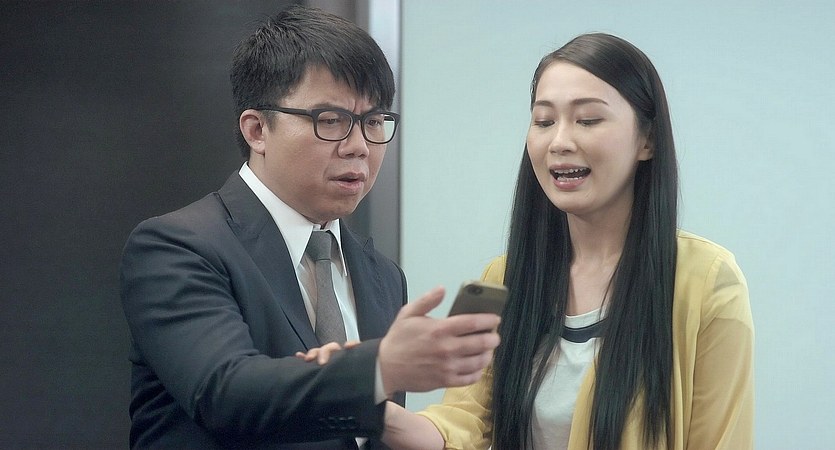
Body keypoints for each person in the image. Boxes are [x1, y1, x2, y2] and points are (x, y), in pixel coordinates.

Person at [308, 33, 754, 449]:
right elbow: (461, 423)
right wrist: (358, 386)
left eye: (588, 119)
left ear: (647, 140)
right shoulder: (503, 278)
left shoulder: (705, 281)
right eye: (544, 121)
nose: (559, 141)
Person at [119, 6, 500, 449]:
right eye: (330, 120)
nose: (358, 146)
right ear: (257, 130)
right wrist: (380, 367)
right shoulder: (177, 247)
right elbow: (226, 394)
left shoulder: (382, 274)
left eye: (373, 121)